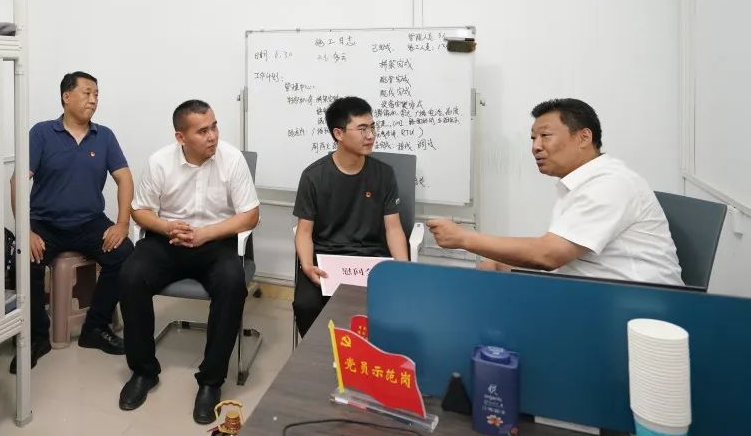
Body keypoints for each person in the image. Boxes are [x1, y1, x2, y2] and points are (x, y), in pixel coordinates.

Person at [427, 98, 683, 285]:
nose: (535, 147)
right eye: (533, 138)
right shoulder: (581, 182)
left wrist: (464, 239)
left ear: (583, 137)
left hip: (636, 306)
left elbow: (548, 255)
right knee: (491, 264)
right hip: (589, 289)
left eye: (545, 136)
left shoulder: (611, 184)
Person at [118, 100, 260, 424]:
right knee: (130, 275)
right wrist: (167, 226)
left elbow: (250, 215)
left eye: (214, 127)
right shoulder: (159, 162)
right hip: (168, 239)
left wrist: (205, 234)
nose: (213, 136)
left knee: (232, 283)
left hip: (215, 240)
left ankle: (211, 381)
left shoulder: (231, 159)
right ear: (181, 137)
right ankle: (143, 371)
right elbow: (139, 210)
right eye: (203, 131)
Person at [9, 71, 133, 373]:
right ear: (66, 96)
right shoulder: (42, 133)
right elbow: (18, 180)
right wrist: (25, 230)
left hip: (89, 222)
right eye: (87, 93)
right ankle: (37, 336)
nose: (93, 100)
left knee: (125, 255)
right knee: (25, 260)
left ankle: (95, 328)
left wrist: (121, 224)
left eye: (96, 94)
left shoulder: (104, 136)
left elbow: (125, 179)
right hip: (45, 222)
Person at [292, 96, 409, 338]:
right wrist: (307, 265)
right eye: (362, 129)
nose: (371, 135)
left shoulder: (384, 174)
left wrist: (403, 268)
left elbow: (393, 228)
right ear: (338, 134)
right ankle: (323, 353)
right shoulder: (313, 176)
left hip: (371, 257)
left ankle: (366, 354)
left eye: (373, 127)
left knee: (393, 306)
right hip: (326, 257)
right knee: (305, 305)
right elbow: (303, 231)